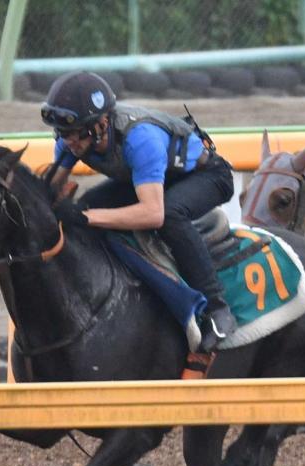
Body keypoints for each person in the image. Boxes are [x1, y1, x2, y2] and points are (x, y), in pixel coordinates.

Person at [40, 70, 236, 351]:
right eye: (63, 134)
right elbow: (51, 188)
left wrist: (87, 218)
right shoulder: (72, 137)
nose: (69, 142)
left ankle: (218, 309)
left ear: (101, 123)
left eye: (75, 134)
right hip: (155, 177)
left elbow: (152, 214)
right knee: (84, 207)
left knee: (170, 215)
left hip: (206, 176)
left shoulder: (140, 138)